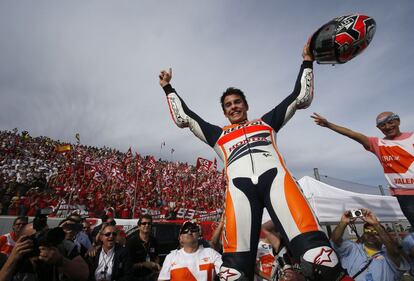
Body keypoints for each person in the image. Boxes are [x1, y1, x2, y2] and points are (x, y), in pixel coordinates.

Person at [159, 42, 348, 281]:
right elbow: (184, 118)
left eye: (237, 102)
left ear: (246, 105)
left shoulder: (266, 123)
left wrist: (307, 61)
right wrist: (167, 87)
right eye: (228, 105)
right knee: (232, 274)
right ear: (224, 112)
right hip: (240, 193)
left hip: (278, 183)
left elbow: (301, 97)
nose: (233, 106)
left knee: (321, 259)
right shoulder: (218, 135)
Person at [311, 112, 414, 226]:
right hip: (405, 195)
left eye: (390, 122)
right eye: (383, 125)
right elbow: (352, 134)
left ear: (398, 121)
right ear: (378, 128)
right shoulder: (378, 144)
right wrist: (328, 124)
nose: (388, 127)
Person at [330, 208, 409, 280]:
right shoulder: (353, 248)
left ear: (382, 236)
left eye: (376, 232)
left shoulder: (388, 255)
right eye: (368, 231)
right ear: (364, 234)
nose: (371, 234)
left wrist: (376, 224)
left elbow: (395, 251)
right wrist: (343, 223)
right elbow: (335, 240)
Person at [0, 223, 89, 281]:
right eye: (37, 236)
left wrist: (61, 260)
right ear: (22, 240)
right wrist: (13, 259)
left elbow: (84, 274)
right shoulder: (11, 257)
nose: (43, 240)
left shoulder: (62, 246)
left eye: (45, 233)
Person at [158, 221, 222, 281]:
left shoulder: (211, 254)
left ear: (198, 235)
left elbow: (227, 273)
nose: (189, 232)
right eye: (185, 230)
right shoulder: (171, 257)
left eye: (193, 229)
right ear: (180, 237)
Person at [126, 214, 160, 281]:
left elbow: (156, 256)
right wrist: (144, 264)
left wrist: (156, 264)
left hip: (152, 276)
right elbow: (127, 266)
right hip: (136, 277)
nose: (147, 225)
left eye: (149, 223)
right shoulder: (131, 242)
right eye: (144, 223)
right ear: (139, 226)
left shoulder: (154, 240)